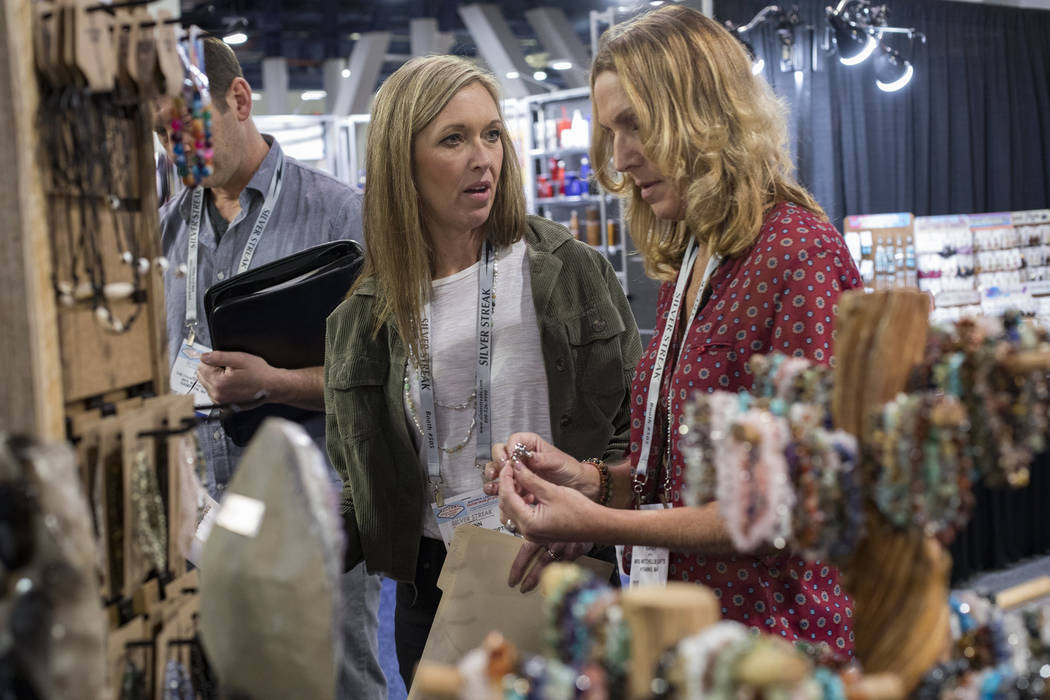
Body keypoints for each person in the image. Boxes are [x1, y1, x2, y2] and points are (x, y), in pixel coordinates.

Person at [489, 5, 863, 664]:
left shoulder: (797, 253)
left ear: (705, 114)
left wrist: (598, 523)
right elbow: (678, 485)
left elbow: (787, 507)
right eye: (611, 130)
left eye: (637, 124)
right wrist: (585, 480)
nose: (622, 156)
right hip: (686, 640)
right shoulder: (692, 258)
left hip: (773, 653)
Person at [323, 54, 641, 688]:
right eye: (453, 139)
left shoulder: (569, 270)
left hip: (565, 569)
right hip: (438, 587)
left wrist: (593, 501)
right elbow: (359, 486)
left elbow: (632, 428)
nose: (483, 157)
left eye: (491, 133)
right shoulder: (363, 316)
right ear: (401, 165)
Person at [153, 37, 385, 700]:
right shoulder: (166, 231)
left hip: (316, 523)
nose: (180, 153)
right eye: (164, 139)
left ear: (240, 99)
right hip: (201, 528)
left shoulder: (342, 217)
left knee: (333, 683)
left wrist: (273, 385)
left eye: (189, 130)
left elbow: (387, 377)